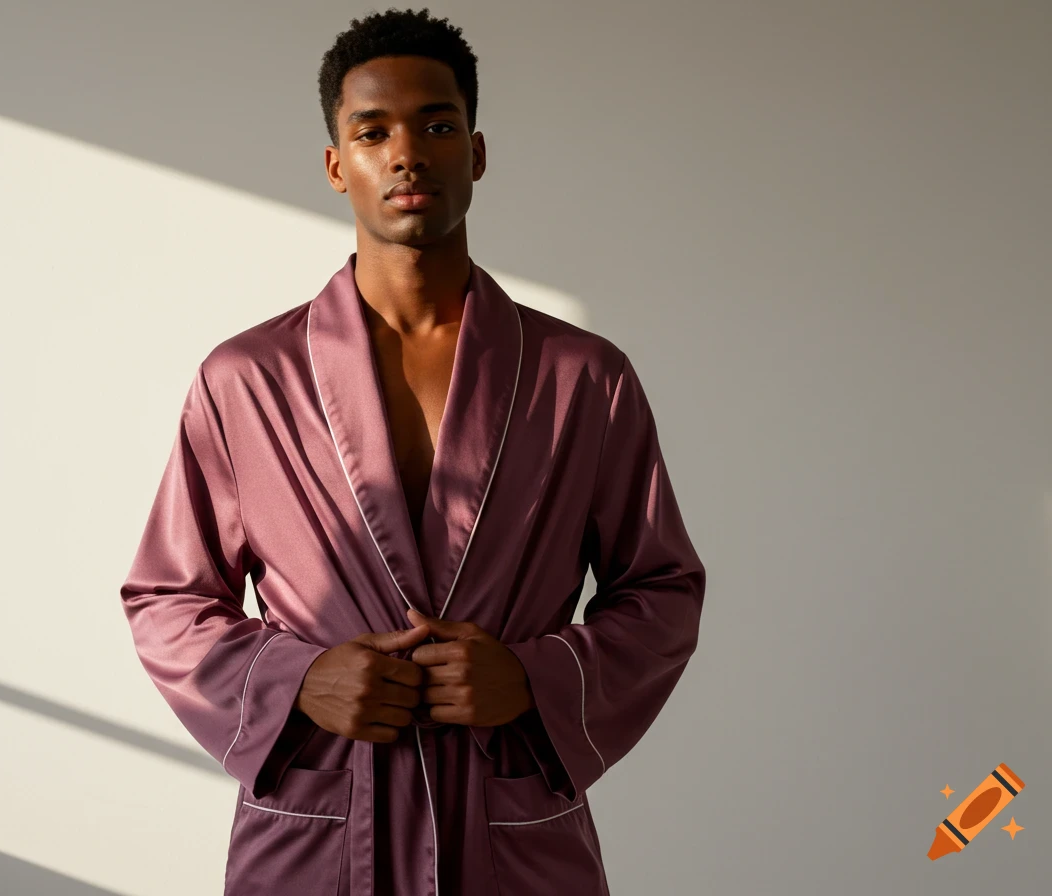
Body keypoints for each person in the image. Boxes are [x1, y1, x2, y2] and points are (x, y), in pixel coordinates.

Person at [118, 8, 706, 895]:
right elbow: (167, 597)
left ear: (475, 151)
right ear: (335, 165)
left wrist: (534, 681)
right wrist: (298, 683)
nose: (406, 153)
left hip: (509, 832)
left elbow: (661, 590)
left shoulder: (583, 378)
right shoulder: (247, 380)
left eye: (437, 125)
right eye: (372, 131)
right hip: (320, 830)